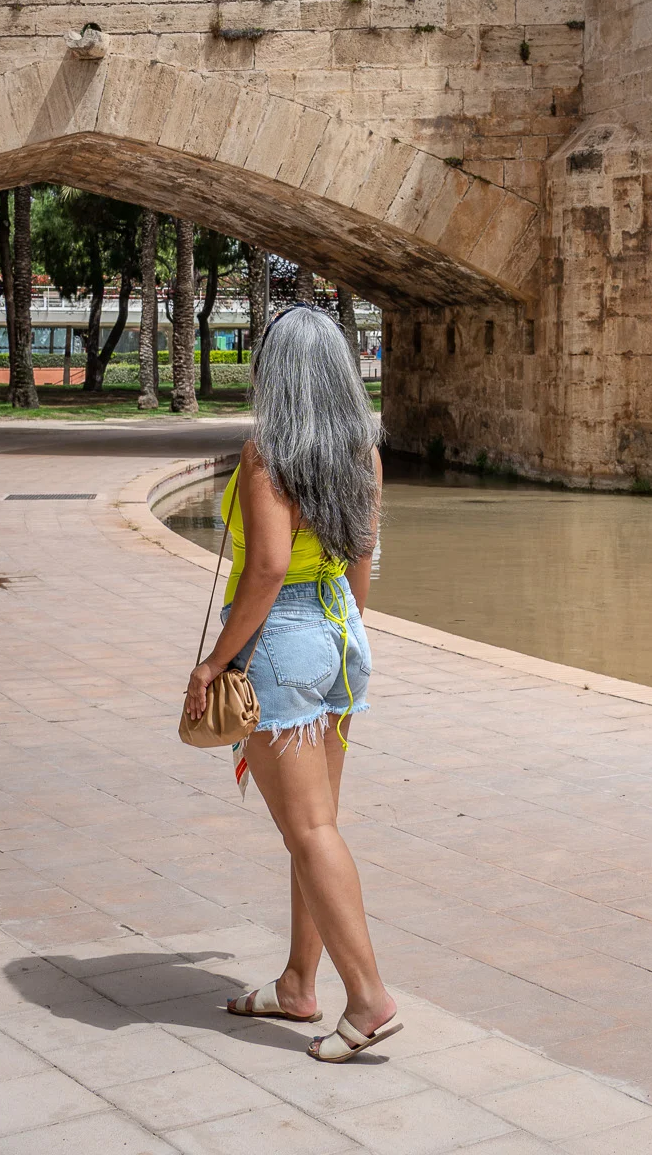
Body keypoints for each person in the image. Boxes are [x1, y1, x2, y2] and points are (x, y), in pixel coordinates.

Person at [184, 303, 398, 1062]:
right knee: (317, 827)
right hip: (341, 638)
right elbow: (362, 554)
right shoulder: (362, 453)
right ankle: (297, 983)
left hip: (280, 642)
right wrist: (351, 633)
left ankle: (368, 998)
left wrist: (214, 664)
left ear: (275, 373)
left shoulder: (267, 457)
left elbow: (268, 570)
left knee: (309, 830)